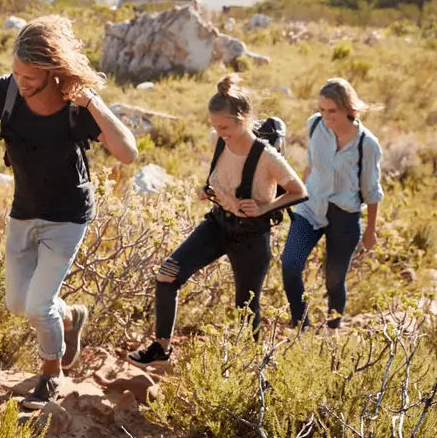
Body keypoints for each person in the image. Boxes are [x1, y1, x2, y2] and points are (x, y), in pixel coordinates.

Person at [0, 15, 138, 410]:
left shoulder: (75, 105)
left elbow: (127, 152)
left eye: (30, 75)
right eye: (17, 71)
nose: (21, 81)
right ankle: (68, 317)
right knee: (18, 303)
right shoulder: (4, 93)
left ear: (53, 71)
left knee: (37, 305)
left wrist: (93, 101)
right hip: (24, 210)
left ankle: (51, 374)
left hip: (67, 216)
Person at [126, 75, 307, 369]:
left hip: (251, 236)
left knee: (246, 308)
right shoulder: (218, 141)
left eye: (223, 126)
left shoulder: (267, 156)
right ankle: (161, 347)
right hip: (217, 224)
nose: (218, 132)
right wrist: (207, 190)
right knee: (167, 274)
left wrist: (264, 207)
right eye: (214, 126)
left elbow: (299, 191)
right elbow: (224, 175)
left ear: (244, 118)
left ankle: (252, 371)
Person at [280, 78, 384, 330]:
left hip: (344, 216)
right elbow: (309, 164)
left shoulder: (366, 144)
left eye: (332, 111)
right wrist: (296, 198)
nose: (326, 116)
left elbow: (371, 191)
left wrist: (370, 230)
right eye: (322, 109)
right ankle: (300, 325)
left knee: (334, 280)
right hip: (310, 208)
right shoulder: (315, 125)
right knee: (290, 264)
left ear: (349, 108)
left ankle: (332, 330)